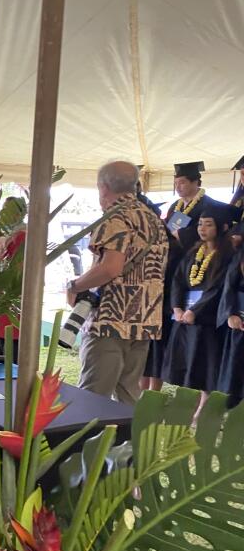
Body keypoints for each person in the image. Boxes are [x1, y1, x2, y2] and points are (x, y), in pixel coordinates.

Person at [70, 161, 168, 405]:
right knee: (128, 396)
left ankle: (88, 444)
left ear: (103, 187)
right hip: (144, 318)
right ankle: (125, 444)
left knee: (93, 397)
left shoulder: (114, 217)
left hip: (111, 320)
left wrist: (75, 285)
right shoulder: (153, 218)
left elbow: (111, 267)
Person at [162, 207, 235, 414]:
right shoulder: (194, 252)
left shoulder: (228, 255)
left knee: (206, 367)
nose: (202, 229)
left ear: (223, 227)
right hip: (185, 316)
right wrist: (176, 307)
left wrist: (196, 311)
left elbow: (219, 288)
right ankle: (188, 406)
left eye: (208, 224)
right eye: (200, 224)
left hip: (208, 321)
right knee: (186, 364)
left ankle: (202, 410)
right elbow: (177, 280)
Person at [217, 245, 244, 409]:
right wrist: (230, 313)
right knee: (234, 367)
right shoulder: (240, 254)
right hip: (239, 320)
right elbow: (229, 286)